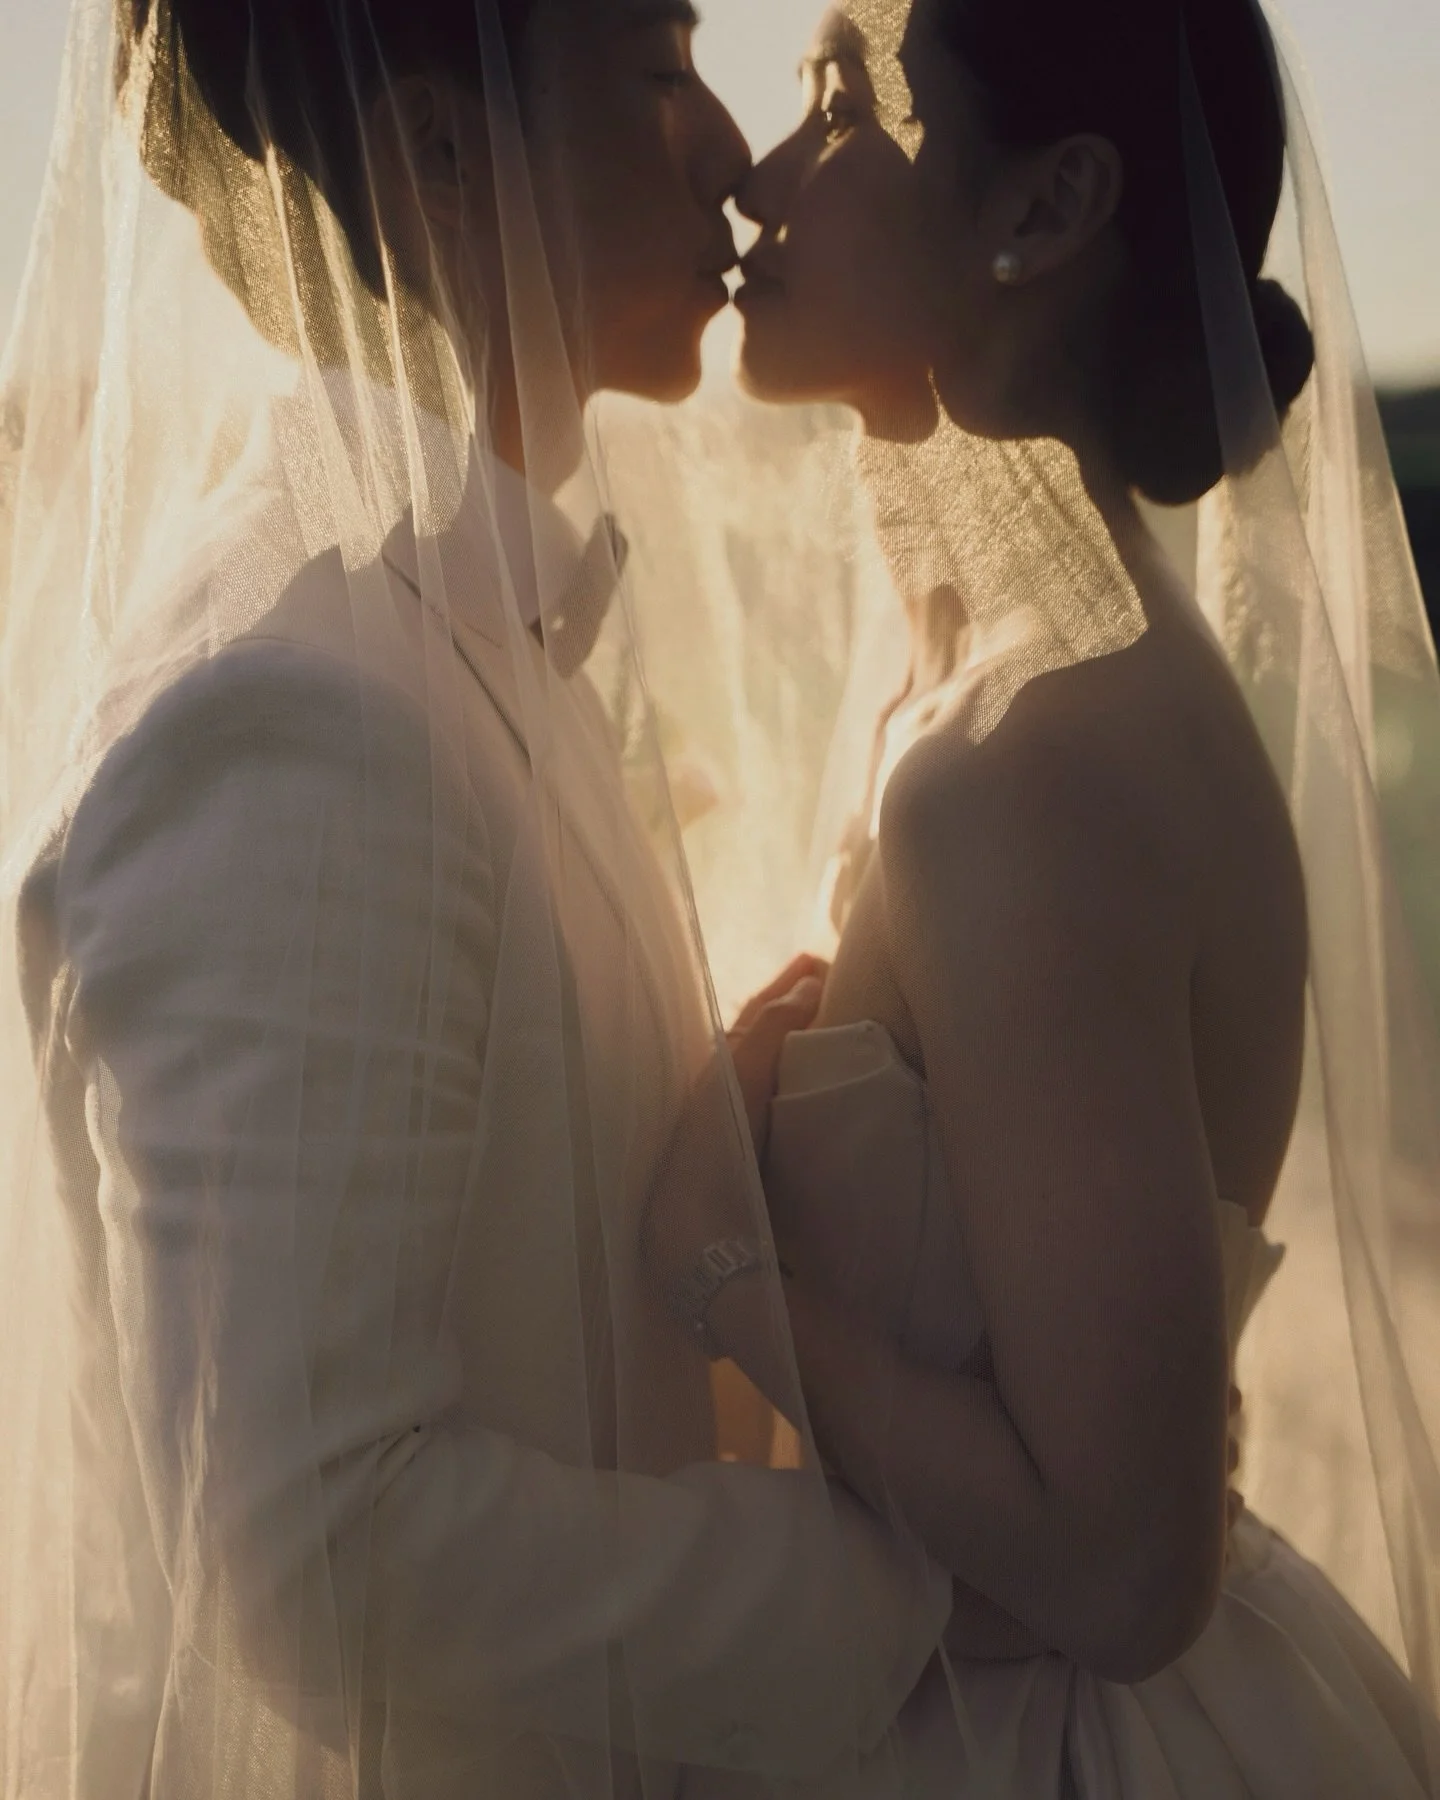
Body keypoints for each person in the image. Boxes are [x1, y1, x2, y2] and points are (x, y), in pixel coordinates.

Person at [0, 3, 956, 1797]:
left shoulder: (451, 629)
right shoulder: (291, 718)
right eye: (663, 69)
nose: (733, 150)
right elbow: (317, 1548)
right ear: (440, 157)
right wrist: (913, 1588)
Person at [643, 0, 1440, 1791]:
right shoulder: (1007, 689)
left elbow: (1129, 1564)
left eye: (840, 109)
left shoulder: (1036, 763)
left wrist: (734, 1270)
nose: (762, 181)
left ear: (1048, 205)